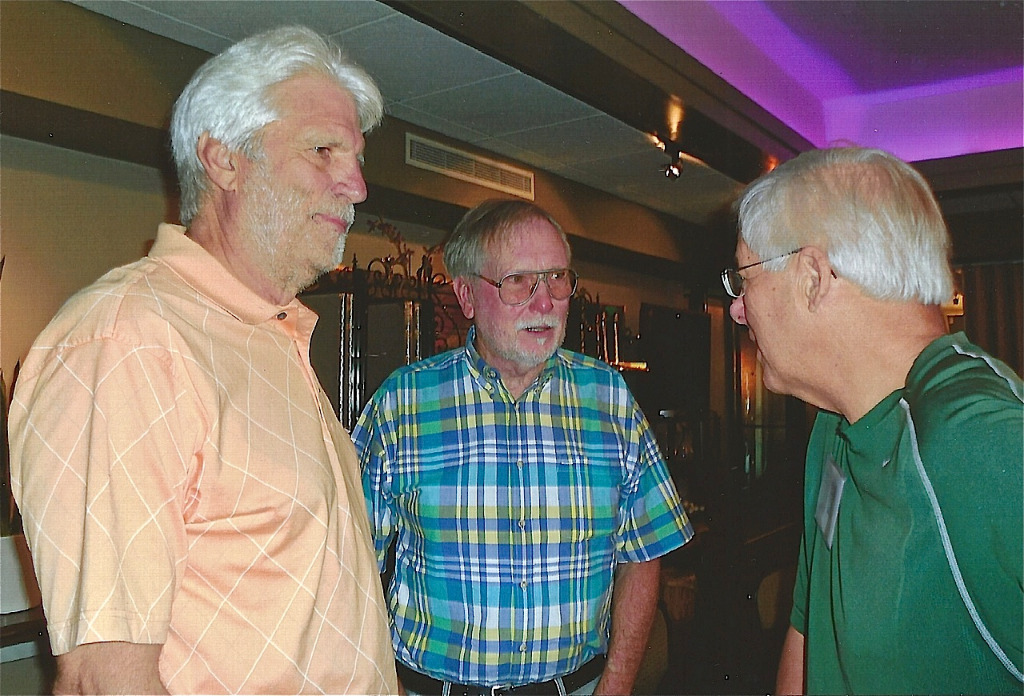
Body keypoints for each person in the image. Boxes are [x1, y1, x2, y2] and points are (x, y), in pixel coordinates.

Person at [9, 26, 398, 694]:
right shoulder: (128, 340)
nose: (357, 186)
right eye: (324, 150)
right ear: (223, 161)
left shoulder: (273, 337)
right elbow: (105, 678)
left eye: (356, 158)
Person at [353, 199, 693, 696]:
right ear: (466, 295)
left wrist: (616, 686)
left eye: (557, 278)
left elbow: (644, 550)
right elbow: (350, 563)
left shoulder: (608, 398)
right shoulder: (402, 404)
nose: (544, 302)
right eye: (518, 281)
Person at [722, 147, 1023, 695]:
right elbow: (810, 628)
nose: (737, 309)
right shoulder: (833, 428)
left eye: (742, 279)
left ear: (813, 276)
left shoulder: (979, 438)